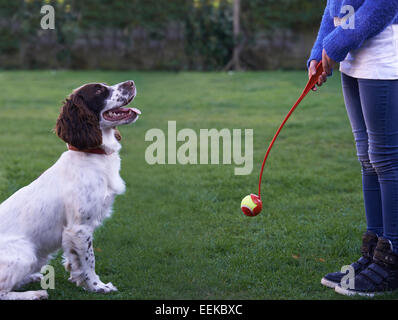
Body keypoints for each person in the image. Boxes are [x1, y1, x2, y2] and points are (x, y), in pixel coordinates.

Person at [307, 0, 398, 296]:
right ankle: (375, 253)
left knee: (385, 159)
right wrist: (319, 50)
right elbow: (335, 6)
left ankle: (392, 259)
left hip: (382, 56)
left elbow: (384, 4)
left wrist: (333, 45)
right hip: (352, 59)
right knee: (367, 158)